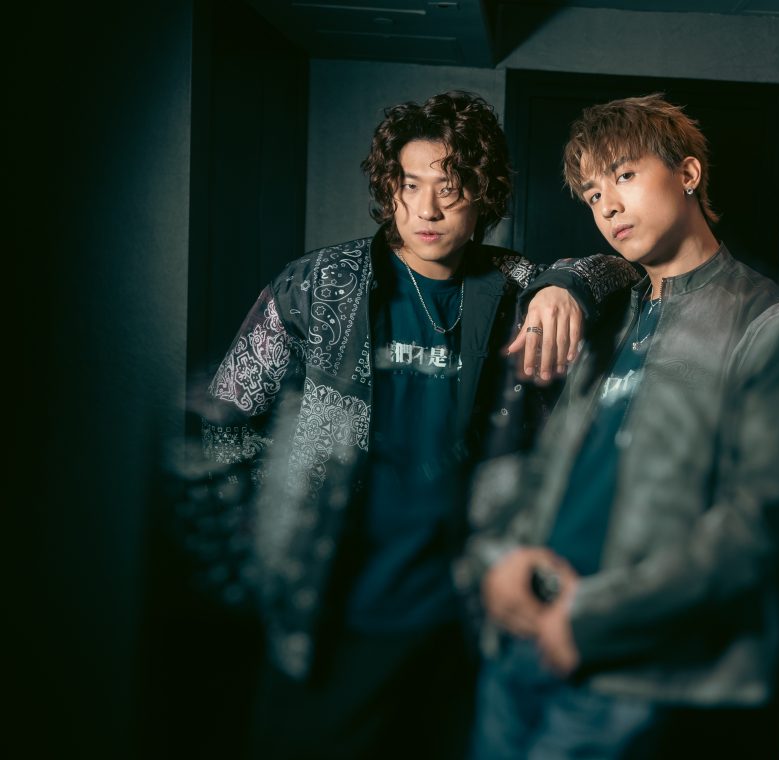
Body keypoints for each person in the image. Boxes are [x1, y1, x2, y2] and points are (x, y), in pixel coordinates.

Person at [190, 90, 638, 759]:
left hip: (460, 622)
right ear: (389, 189)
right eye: (409, 185)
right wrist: (266, 553)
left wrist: (565, 286)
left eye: (449, 189)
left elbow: (622, 270)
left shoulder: (517, 288)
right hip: (333, 617)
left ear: (481, 194)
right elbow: (221, 418)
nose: (426, 210)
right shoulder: (318, 285)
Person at [459, 93, 779, 759]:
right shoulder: (610, 314)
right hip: (524, 638)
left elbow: (757, 523)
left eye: (624, 175)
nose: (609, 207)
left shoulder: (766, 323)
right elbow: (550, 467)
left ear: (688, 173)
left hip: (625, 667)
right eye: (593, 194)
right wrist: (503, 560)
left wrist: (590, 619)